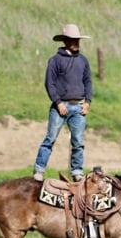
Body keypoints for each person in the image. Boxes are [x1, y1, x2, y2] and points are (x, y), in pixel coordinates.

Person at [33, 23, 93, 182]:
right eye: (73, 40)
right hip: (60, 106)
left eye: (77, 40)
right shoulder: (55, 61)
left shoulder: (83, 61)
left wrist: (87, 102)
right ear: (65, 41)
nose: (76, 43)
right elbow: (49, 83)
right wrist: (58, 103)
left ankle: (77, 171)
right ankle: (39, 169)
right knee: (50, 139)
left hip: (78, 106)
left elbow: (88, 81)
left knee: (78, 142)